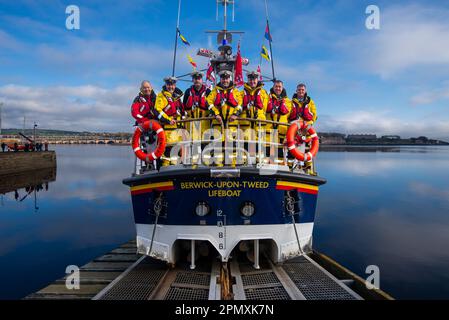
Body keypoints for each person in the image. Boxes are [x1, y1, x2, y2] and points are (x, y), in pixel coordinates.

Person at [206, 70, 243, 165]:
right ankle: (218, 168)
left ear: (229, 79)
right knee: (217, 149)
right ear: (220, 79)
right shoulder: (214, 91)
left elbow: (240, 104)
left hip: (231, 125)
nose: (225, 81)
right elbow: (209, 103)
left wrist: (235, 114)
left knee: (232, 149)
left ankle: (233, 167)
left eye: (226, 78)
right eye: (223, 78)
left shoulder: (235, 91)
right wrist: (216, 114)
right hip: (218, 125)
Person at [155, 76, 185, 166]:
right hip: (168, 131)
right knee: (167, 155)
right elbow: (158, 110)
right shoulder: (161, 96)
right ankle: (165, 173)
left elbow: (182, 111)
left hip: (178, 130)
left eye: (172, 85)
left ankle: (176, 172)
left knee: (176, 154)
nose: (170, 87)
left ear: (175, 85)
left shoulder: (177, 97)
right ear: (166, 85)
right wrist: (168, 120)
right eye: (168, 84)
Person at [265, 80, 292, 162]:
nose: (278, 88)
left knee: (280, 154)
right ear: (273, 87)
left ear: (282, 88)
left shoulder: (287, 101)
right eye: (276, 86)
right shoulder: (267, 98)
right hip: (269, 131)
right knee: (267, 153)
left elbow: (288, 112)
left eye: (279, 87)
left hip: (282, 131)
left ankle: (280, 170)